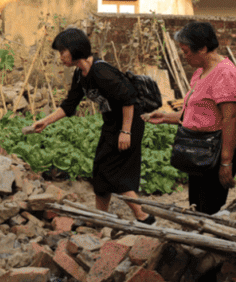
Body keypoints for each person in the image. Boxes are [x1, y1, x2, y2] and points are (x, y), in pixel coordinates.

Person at [31, 28, 154, 224]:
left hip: (129, 123)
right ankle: (101, 218)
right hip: (112, 124)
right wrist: (45, 121)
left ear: (74, 49)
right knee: (99, 170)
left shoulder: (101, 71)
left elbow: (129, 98)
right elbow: (70, 104)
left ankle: (144, 217)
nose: (60, 57)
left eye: (63, 51)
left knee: (114, 173)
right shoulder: (81, 75)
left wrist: (126, 131)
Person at [147, 22, 236, 214]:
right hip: (199, 150)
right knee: (197, 208)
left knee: (209, 212)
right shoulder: (200, 72)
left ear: (203, 48)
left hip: (216, 151)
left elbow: (230, 119)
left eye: (186, 51)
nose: (185, 56)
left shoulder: (224, 73)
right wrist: (165, 117)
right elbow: (195, 115)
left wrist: (226, 162)